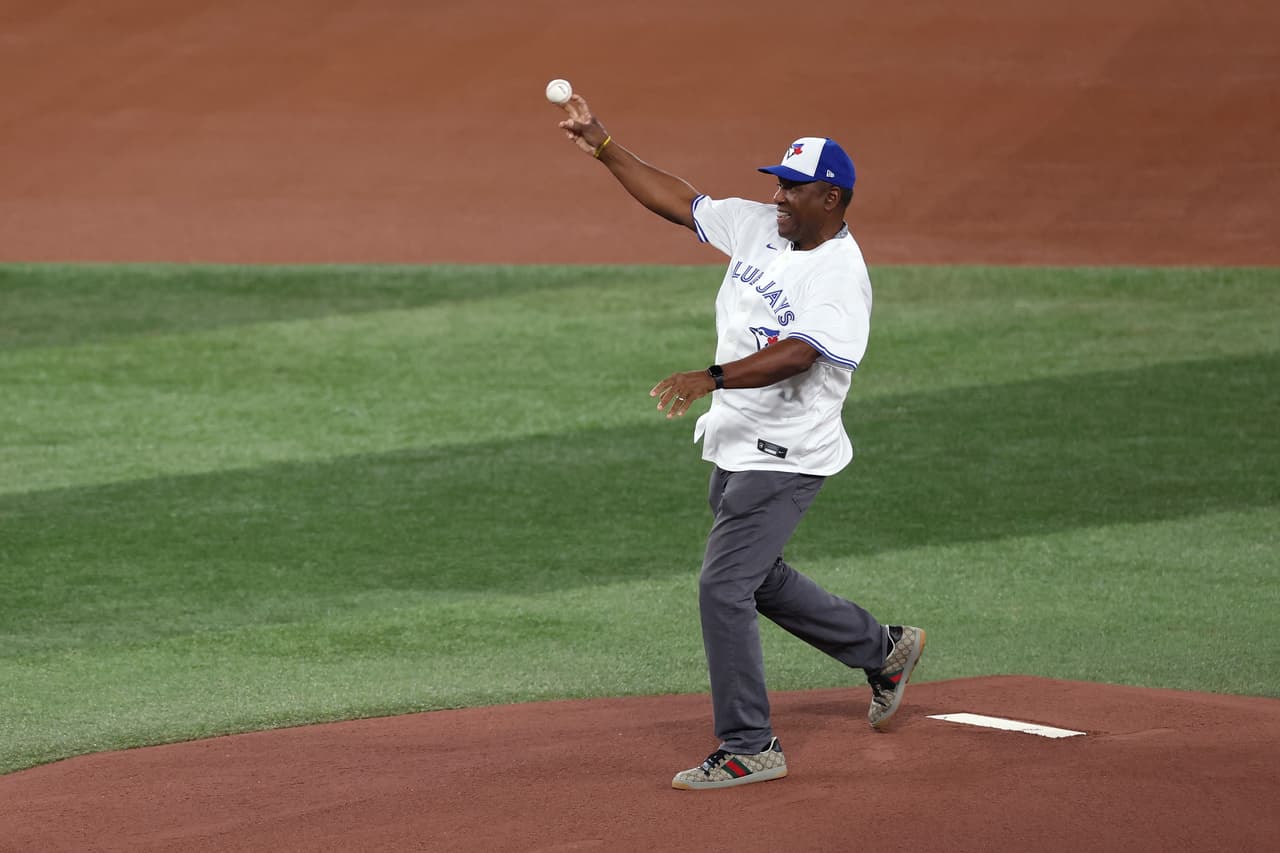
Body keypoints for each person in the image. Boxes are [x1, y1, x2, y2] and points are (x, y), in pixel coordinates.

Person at [556, 93, 925, 791]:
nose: (776, 195)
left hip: (787, 453)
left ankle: (750, 743)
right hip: (737, 441)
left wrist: (710, 377)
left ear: (831, 197)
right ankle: (884, 649)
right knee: (758, 578)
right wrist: (605, 148)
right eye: (776, 183)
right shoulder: (761, 226)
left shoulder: (840, 277)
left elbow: (798, 354)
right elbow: (682, 203)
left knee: (724, 584)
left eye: (790, 187)